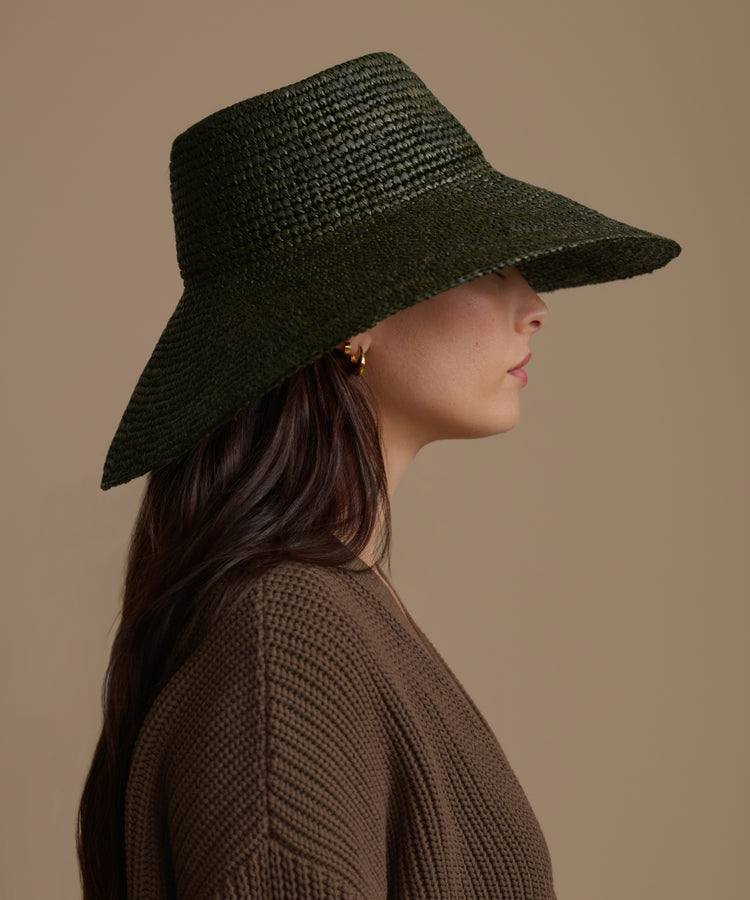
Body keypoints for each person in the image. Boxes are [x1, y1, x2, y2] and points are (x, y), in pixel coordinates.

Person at [76, 51, 680, 899]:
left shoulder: (325, 608)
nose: (535, 306)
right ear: (353, 318)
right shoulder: (285, 643)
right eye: (489, 265)